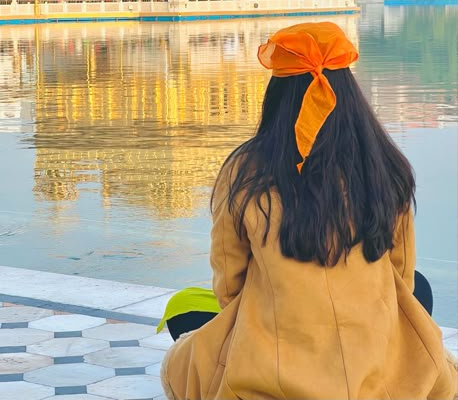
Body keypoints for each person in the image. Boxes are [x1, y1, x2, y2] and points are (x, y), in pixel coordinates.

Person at [160, 22, 457, 400]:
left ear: (277, 95)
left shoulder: (245, 172)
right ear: (349, 90)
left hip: (274, 371)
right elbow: (402, 277)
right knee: (419, 290)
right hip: (375, 370)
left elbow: (229, 287)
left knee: (183, 334)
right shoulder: (385, 165)